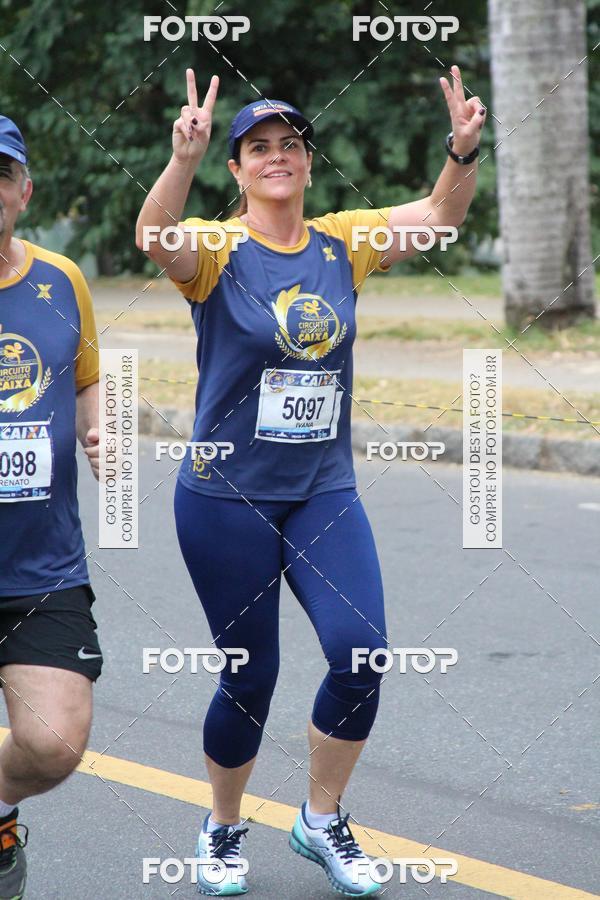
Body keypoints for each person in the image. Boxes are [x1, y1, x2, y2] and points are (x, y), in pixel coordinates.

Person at [137, 65, 485, 896]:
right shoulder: (218, 250)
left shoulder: (344, 240)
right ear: (238, 169)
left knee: (360, 651)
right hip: (226, 496)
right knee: (250, 674)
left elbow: (439, 215)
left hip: (322, 488)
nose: (276, 157)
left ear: (306, 159)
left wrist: (462, 151)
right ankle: (223, 828)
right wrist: (179, 160)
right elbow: (156, 238)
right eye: (258, 147)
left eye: (289, 143)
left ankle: (320, 819)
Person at [0, 116, 102, 899]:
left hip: (42, 568)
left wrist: (100, 427)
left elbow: (87, 375)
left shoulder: (61, 279)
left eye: (1, 174)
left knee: (57, 742)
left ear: (24, 191)